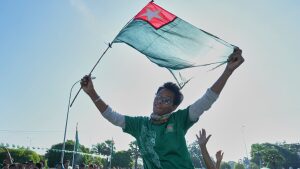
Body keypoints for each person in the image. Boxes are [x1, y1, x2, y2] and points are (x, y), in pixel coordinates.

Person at [81, 48, 244, 169]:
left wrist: (228, 71)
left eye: (165, 100)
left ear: (174, 107)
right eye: (157, 97)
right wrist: (92, 93)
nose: (158, 101)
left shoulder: (179, 120)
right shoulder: (140, 125)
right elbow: (112, 116)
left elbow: (206, 100)